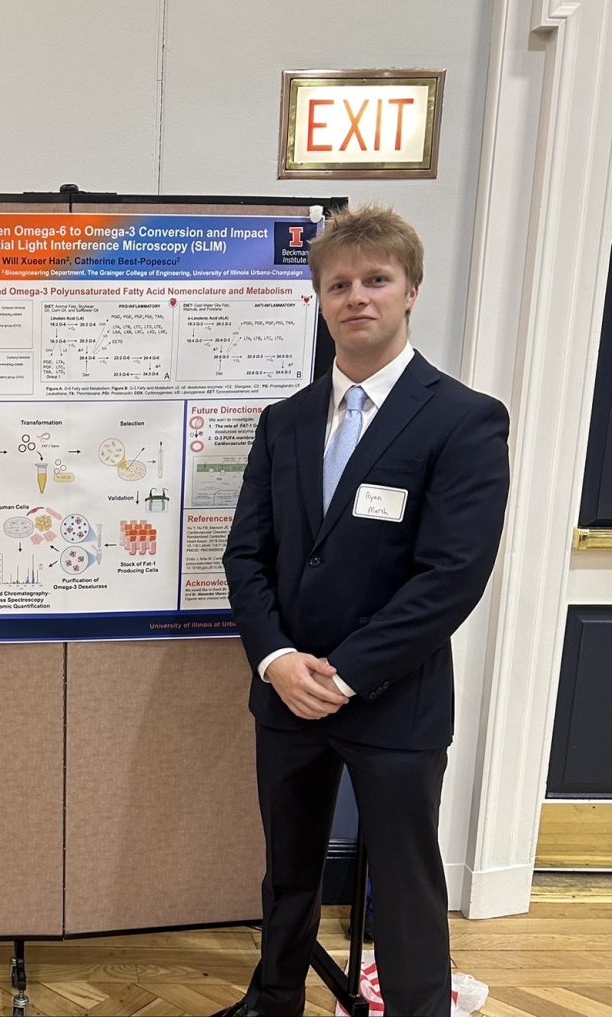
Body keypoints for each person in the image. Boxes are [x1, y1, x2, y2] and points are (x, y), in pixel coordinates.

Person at [216, 205, 510, 1017]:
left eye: (376, 280)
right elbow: (247, 555)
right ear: (318, 298)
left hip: (392, 699)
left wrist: (344, 674)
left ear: (411, 289)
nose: (357, 297)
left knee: (407, 882)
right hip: (286, 694)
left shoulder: (463, 419)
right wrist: (277, 660)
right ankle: (272, 999)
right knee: (288, 869)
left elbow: (450, 576)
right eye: (338, 283)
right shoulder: (284, 423)